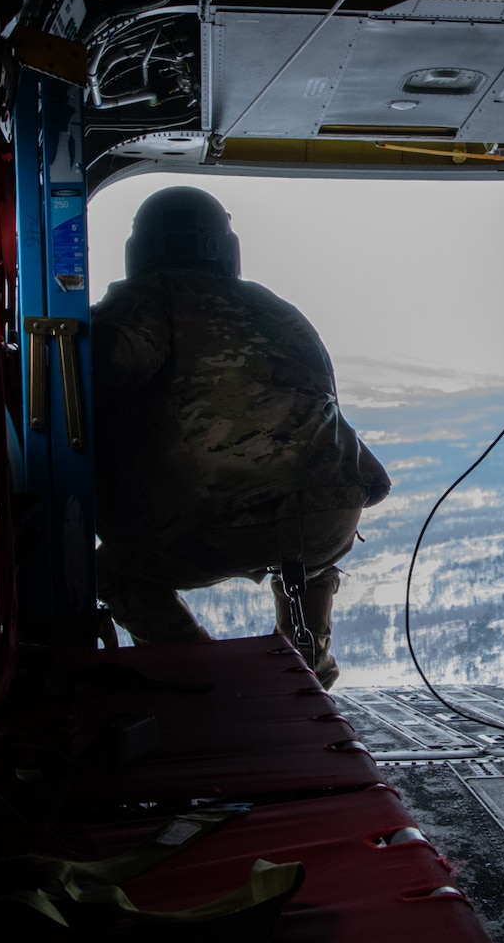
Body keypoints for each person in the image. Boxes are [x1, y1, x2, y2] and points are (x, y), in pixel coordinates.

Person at [90, 186, 390, 687]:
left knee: (117, 572)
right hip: (328, 509)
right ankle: (306, 667)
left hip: (210, 518)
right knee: (312, 562)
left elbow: (96, 367)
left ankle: (195, 671)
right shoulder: (277, 306)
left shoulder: (150, 298)